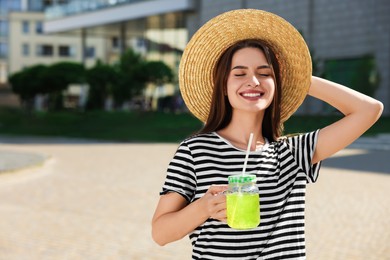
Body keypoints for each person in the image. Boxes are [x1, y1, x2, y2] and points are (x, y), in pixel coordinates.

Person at [151, 9, 383, 259]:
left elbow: (369, 110)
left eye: (265, 74)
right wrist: (204, 207)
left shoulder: (294, 152)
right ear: (223, 88)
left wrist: (299, 78)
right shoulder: (194, 151)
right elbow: (160, 234)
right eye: (239, 74)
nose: (253, 81)